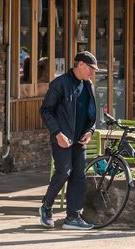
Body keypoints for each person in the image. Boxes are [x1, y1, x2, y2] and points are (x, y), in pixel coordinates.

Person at [39, 51, 102, 230]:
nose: (92, 73)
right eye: (91, 69)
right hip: (62, 138)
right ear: (80, 65)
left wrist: (90, 130)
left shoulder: (88, 85)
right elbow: (45, 111)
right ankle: (47, 207)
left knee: (79, 176)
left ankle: (73, 217)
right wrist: (57, 133)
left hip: (79, 141)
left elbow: (92, 113)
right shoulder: (60, 84)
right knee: (63, 172)